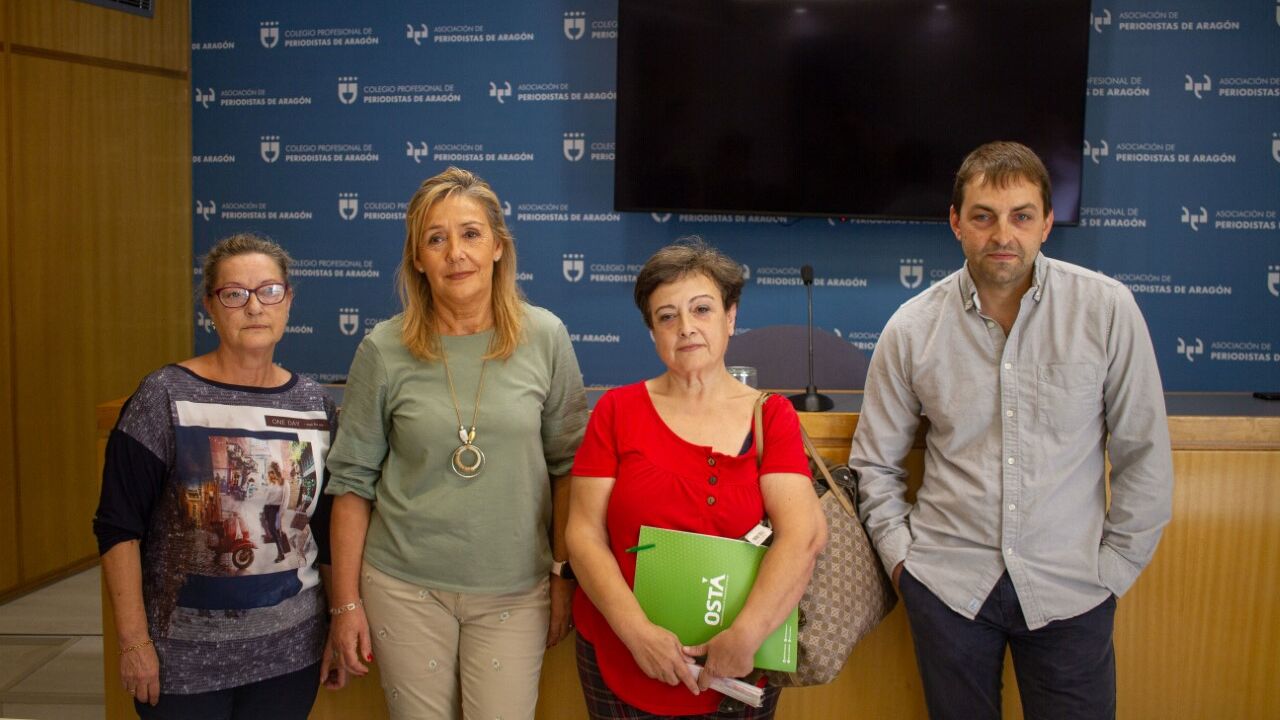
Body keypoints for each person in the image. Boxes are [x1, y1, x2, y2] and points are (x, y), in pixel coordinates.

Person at [850, 141, 1174, 719]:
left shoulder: (1106, 311)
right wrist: (905, 566)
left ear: (1047, 223)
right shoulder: (912, 328)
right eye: (984, 217)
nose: (1003, 234)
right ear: (956, 222)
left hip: (1073, 588)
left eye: (1021, 216)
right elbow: (874, 464)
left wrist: (1115, 569)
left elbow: (1144, 452)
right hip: (947, 589)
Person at [325, 167, 589, 720]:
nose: (456, 253)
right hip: (402, 586)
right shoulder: (383, 348)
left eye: (471, 234)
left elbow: (568, 467)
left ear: (498, 246)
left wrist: (562, 576)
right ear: (418, 259)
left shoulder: (546, 336)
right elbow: (351, 484)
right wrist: (345, 604)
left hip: (517, 590)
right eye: (436, 238)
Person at [566, 238, 827, 719]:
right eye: (667, 316)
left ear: (730, 318)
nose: (686, 327)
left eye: (702, 309)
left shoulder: (771, 416)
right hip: (623, 656)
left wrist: (746, 636)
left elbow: (803, 535)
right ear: (652, 332)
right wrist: (637, 634)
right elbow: (583, 534)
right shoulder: (616, 411)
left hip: (739, 665)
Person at [93, 233, 346, 719]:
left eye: (269, 291)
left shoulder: (314, 405)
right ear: (210, 306)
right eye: (234, 294)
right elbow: (118, 527)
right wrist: (133, 641)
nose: (254, 306)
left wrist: (338, 621)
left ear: (288, 300)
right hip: (181, 661)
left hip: (290, 654)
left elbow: (323, 529)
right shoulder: (164, 397)